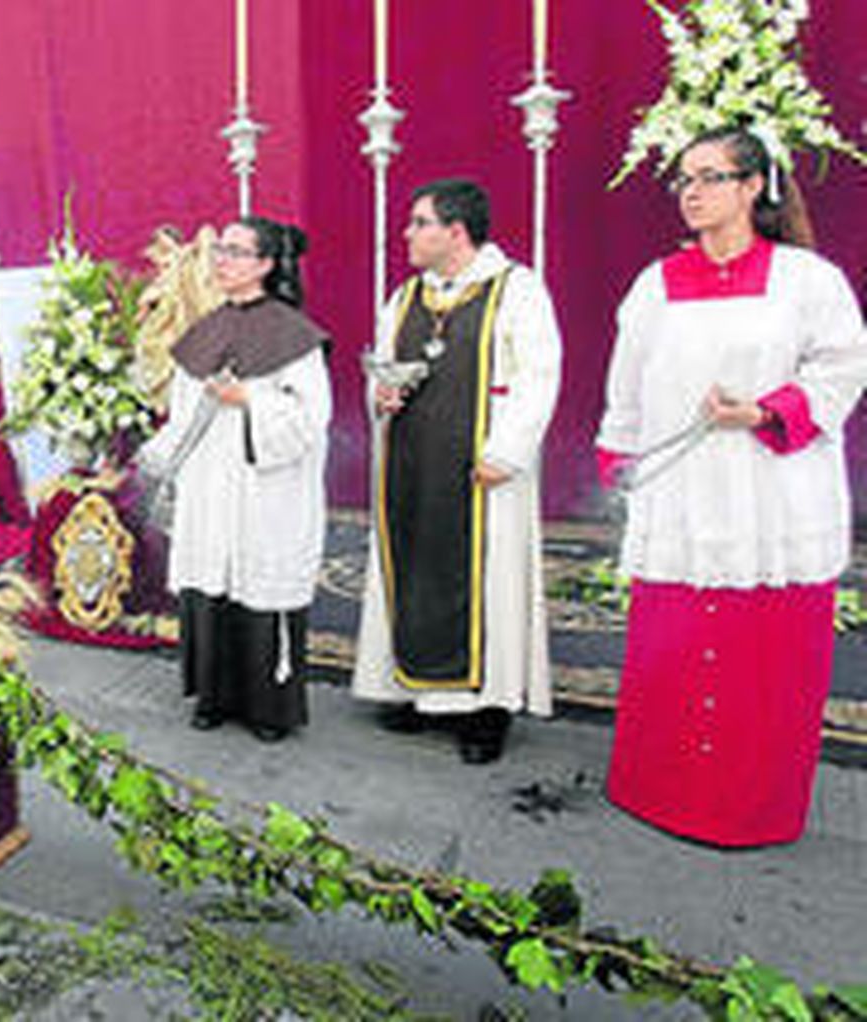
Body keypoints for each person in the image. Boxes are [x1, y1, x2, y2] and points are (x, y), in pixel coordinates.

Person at [596, 126, 867, 847]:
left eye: (711, 176)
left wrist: (763, 411)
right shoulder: (656, 284)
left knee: (764, 668)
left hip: (770, 496)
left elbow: (842, 368)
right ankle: (657, 790)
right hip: (683, 500)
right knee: (674, 652)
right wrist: (620, 462)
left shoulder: (808, 281)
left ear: (754, 187)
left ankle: (752, 808)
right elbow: (625, 386)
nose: (691, 191)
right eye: (683, 178)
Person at [353, 178, 562, 764]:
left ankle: (485, 708)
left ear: (457, 230)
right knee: (412, 562)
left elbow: (539, 376)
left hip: (481, 469)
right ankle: (410, 687)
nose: (408, 233)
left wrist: (507, 451)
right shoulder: (404, 297)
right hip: (412, 462)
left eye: (420, 222)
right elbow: (384, 364)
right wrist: (381, 396)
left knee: (483, 577)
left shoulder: (516, 291)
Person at [139, 216, 332, 743]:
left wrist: (250, 399)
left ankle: (269, 708)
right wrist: (155, 456)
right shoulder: (205, 330)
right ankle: (214, 696)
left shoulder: (294, 334)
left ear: (267, 264)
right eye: (220, 249)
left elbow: (311, 418)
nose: (221, 259)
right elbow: (181, 414)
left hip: (262, 485)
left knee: (257, 582)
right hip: (209, 485)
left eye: (236, 251)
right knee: (211, 582)